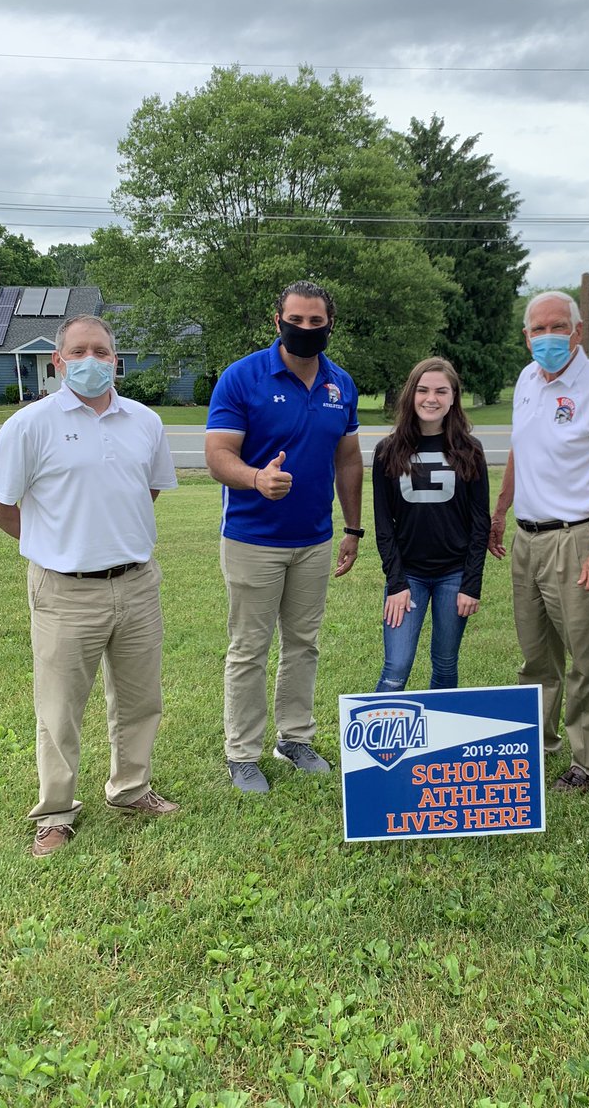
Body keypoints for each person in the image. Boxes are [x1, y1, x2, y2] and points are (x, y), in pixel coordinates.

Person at [0, 315, 180, 858]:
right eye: (78, 351)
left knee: (140, 700)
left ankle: (131, 789)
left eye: (102, 351)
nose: (91, 359)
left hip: (137, 584)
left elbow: (148, 492)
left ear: (116, 360)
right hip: (64, 591)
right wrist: (51, 543)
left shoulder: (144, 421)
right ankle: (55, 812)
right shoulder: (31, 424)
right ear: (58, 361)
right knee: (59, 710)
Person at [205, 280, 363, 794]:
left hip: (315, 540)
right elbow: (217, 456)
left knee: (303, 645)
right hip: (253, 538)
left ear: (329, 325)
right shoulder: (242, 377)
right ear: (278, 322)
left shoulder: (342, 384)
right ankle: (242, 754)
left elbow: (348, 460)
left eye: (316, 322)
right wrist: (255, 478)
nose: (306, 329)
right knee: (249, 648)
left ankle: (294, 738)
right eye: (297, 320)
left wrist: (354, 528)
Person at [488, 291, 589, 792]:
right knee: (536, 656)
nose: (547, 337)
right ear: (526, 335)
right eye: (538, 329)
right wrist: (501, 509)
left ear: (577, 331)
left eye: (558, 327)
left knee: (587, 657)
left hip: (577, 538)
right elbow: (519, 449)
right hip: (527, 538)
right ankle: (535, 745)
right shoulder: (527, 380)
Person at [372, 358, 490, 692]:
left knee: (445, 664)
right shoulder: (387, 451)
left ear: (454, 397)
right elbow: (384, 524)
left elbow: (480, 523)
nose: (431, 398)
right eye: (423, 390)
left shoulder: (470, 450)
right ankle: (381, 744)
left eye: (441, 391)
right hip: (408, 574)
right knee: (396, 667)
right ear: (411, 395)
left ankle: (441, 744)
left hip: (454, 574)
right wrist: (396, 583)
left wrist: (471, 584)